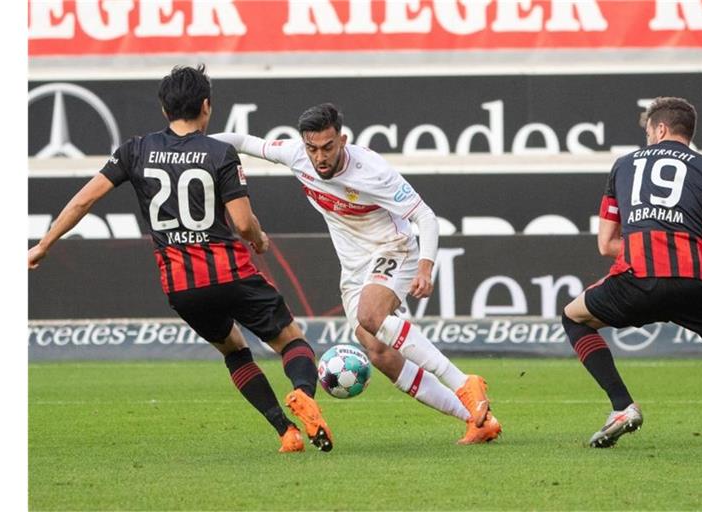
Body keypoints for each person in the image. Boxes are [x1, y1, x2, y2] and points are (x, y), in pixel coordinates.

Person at [28, 65, 334, 454]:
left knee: (233, 351)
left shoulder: (134, 150)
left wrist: (44, 244)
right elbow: (242, 223)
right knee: (290, 341)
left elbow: (84, 199)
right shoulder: (219, 152)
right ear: (206, 106)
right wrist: (259, 239)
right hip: (231, 272)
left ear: (163, 108)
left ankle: (285, 432)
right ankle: (304, 394)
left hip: (182, 286)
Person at [213, 103, 501, 444]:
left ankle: (463, 382)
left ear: (342, 140)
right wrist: (192, 146)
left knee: (371, 315)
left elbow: (425, 216)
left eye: (328, 147)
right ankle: (477, 419)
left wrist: (425, 267)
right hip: (353, 269)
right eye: (312, 148)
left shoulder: (371, 170)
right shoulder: (295, 156)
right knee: (380, 353)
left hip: (393, 248)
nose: (319, 157)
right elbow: (243, 141)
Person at [561, 97, 702, 448]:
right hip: (696, 281)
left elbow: (606, 243)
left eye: (648, 131)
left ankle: (621, 406)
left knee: (573, 318)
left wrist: (650, 246)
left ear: (659, 129)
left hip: (637, 279)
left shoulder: (624, 165)